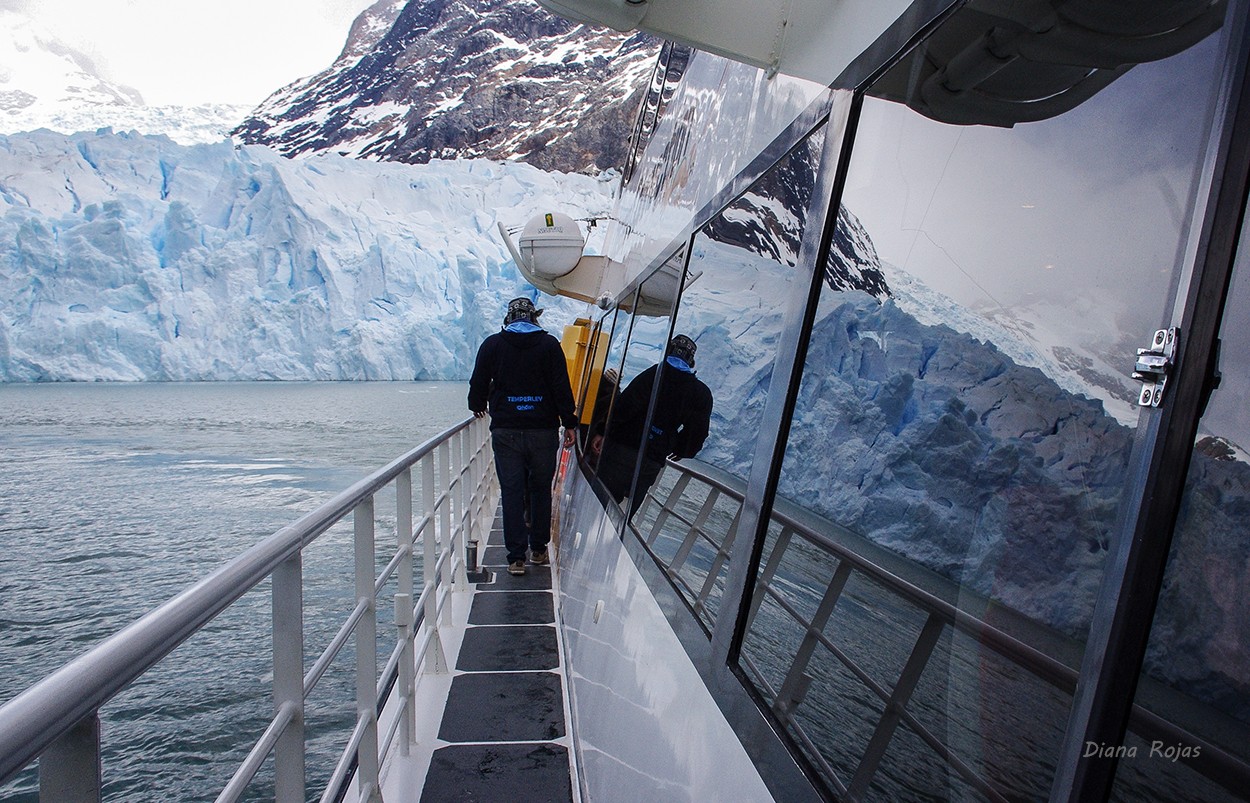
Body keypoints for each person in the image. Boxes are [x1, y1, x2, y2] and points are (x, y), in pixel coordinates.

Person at [468, 296, 577, 576]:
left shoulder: (493, 345)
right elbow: (561, 387)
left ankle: (516, 558)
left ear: (509, 318)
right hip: (543, 431)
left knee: (513, 492)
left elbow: (478, 381)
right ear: (533, 318)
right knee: (540, 488)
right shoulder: (550, 345)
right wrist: (570, 423)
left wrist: (477, 405)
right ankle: (539, 549)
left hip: (507, 431)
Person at [593, 334, 713, 518]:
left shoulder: (653, 375)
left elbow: (624, 406)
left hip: (621, 448)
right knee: (622, 516)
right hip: (651, 459)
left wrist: (602, 431)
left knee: (598, 501)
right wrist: (682, 449)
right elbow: (697, 431)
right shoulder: (700, 393)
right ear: (691, 362)